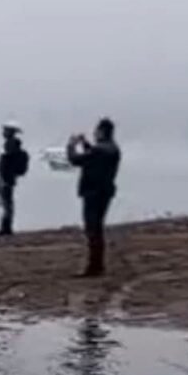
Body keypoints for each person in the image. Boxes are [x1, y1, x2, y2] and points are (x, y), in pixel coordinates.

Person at [66, 118, 121, 277]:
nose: (94, 133)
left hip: (92, 192)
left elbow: (76, 160)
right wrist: (85, 144)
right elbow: (93, 157)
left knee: (92, 229)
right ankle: (97, 265)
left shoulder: (99, 150)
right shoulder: (113, 149)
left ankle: (94, 266)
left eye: (97, 131)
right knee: (97, 228)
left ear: (102, 132)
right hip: (105, 192)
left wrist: (71, 145)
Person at [0, 122, 29, 236]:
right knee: (7, 203)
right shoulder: (12, 146)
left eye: (5, 131)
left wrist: (3, 177)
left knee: (7, 204)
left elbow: (7, 165)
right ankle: (6, 227)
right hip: (8, 179)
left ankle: (6, 228)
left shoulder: (10, 146)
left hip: (7, 179)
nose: (3, 133)